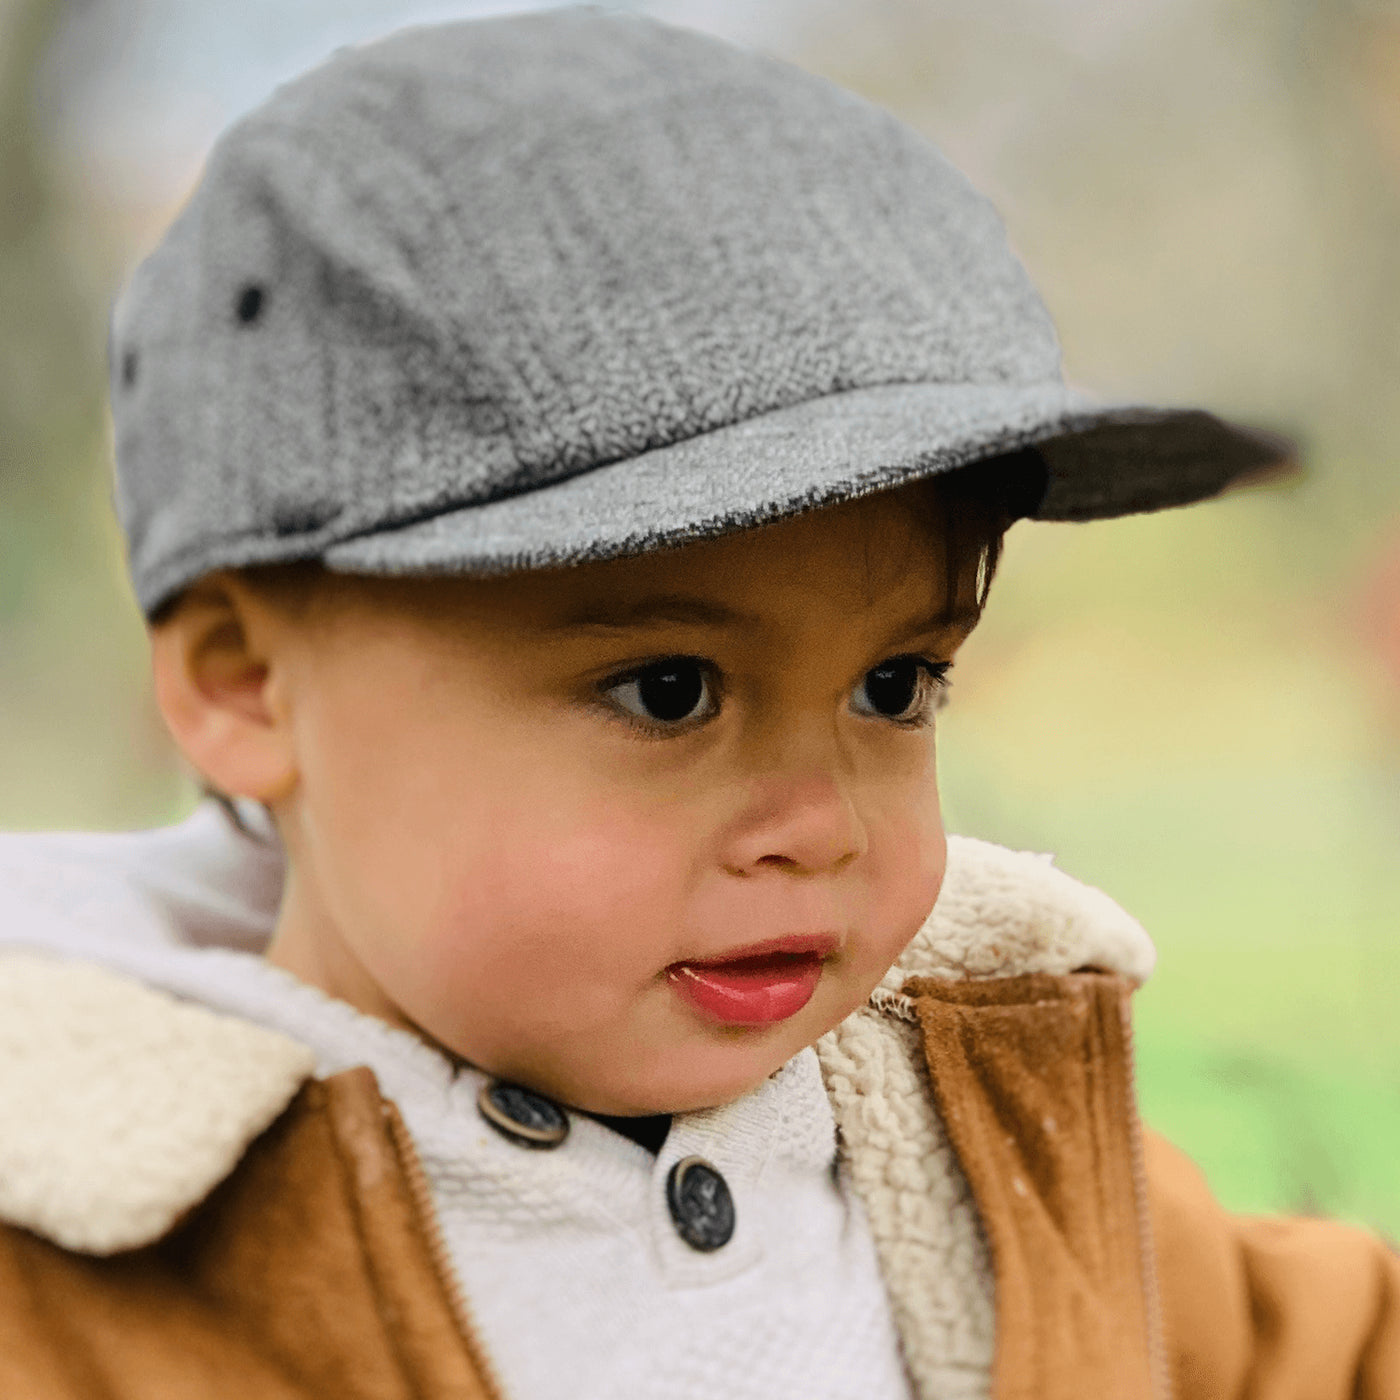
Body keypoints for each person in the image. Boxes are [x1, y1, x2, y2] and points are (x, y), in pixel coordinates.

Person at [0, 10, 1394, 1399]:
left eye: (893, 685)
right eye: (670, 692)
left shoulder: (995, 1138)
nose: (820, 824)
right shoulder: (88, 1259)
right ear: (245, 683)